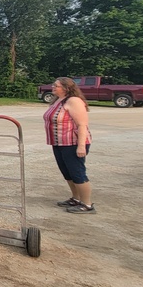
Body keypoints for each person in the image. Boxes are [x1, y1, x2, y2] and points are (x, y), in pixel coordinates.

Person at [44, 77, 95, 214]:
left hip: (72, 143)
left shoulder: (74, 101)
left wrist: (81, 146)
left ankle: (87, 204)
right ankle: (76, 198)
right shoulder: (59, 100)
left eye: (56, 86)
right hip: (59, 143)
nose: (53, 87)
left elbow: (82, 125)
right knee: (67, 173)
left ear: (66, 88)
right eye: (53, 85)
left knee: (77, 173)